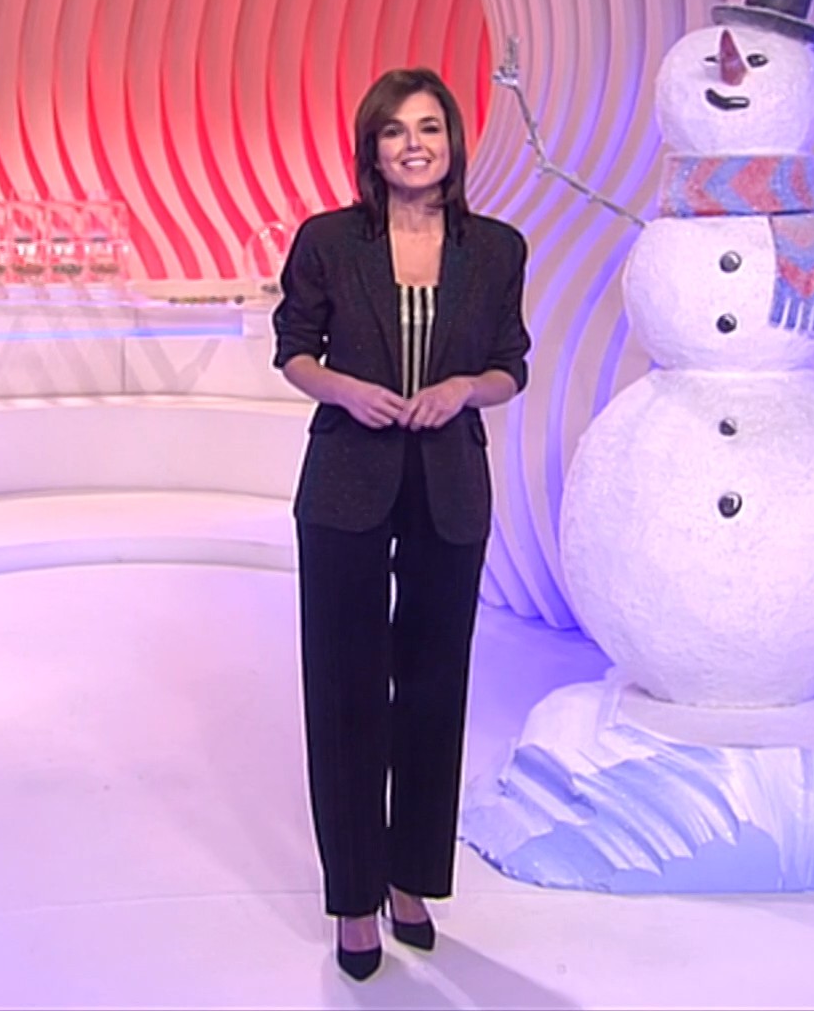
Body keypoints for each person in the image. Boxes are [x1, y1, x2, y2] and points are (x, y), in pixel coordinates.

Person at [271, 67, 532, 981]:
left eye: (428, 127)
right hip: (347, 477)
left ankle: (411, 879)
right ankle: (353, 896)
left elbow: (510, 365)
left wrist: (463, 389)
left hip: (449, 485)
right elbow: (292, 350)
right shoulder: (329, 241)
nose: (413, 144)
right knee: (345, 686)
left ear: (453, 141)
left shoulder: (495, 248)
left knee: (431, 687)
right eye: (394, 130)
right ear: (372, 149)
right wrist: (346, 390)